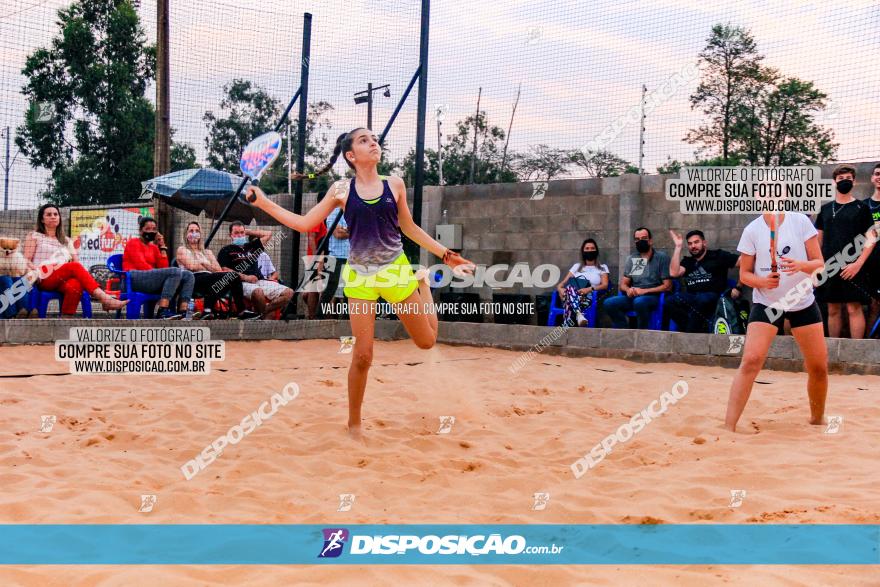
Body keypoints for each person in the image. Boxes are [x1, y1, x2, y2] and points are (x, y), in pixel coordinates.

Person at [247, 128, 474, 440]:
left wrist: (447, 255)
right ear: (351, 156)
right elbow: (304, 223)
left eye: (374, 139)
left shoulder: (394, 184)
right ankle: (354, 424)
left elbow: (408, 227)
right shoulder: (341, 189)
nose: (373, 143)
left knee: (426, 342)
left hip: (395, 271)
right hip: (360, 276)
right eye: (364, 140)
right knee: (363, 355)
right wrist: (264, 203)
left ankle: (423, 287)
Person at [724, 211, 827, 432]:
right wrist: (762, 281)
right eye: (766, 189)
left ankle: (817, 420)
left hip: (802, 302)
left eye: (776, 188)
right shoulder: (752, 230)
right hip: (767, 304)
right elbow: (744, 275)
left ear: (784, 193)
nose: (771, 193)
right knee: (751, 360)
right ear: (759, 196)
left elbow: (820, 264)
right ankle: (728, 426)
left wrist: (801, 265)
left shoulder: (800, 222)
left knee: (818, 367)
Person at [22, 204, 129, 318]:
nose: (53, 217)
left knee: (75, 285)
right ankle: (104, 298)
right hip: (43, 277)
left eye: (55, 214)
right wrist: (35, 272)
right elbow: (26, 260)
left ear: (59, 218)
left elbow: (76, 261)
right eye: (49, 214)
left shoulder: (66, 241)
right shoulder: (34, 236)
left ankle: (65, 319)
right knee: (74, 267)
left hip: (62, 278)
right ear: (42, 219)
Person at [814, 165, 874, 338]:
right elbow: (818, 241)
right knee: (832, 308)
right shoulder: (825, 210)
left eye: (848, 178)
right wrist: (817, 266)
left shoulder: (861, 208)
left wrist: (858, 264)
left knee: (853, 307)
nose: (844, 181)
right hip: (829, 267)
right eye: (841, 179)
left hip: (853, 267)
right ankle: (833, 351)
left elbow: (871, 238)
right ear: (834, 182)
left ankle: (855, 351)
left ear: (854, 181)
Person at [175, 221, 258, 320]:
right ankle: (207, 310)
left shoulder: (207, 252)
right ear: (186, 234)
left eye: (197, 231)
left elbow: (218, 269)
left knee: (234, 276)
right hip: (193, 280)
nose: (194, 233)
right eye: (191, 231)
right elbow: (192, 266)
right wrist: (208, 265)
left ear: (200, 234)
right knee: (215, 278)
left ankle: (241, 311)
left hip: (210, 279)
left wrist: (203, 263)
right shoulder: (182, 249)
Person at [666, 229, 741, 333]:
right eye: (690, 244)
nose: (693, 246)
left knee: (702, 299)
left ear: (704, 243)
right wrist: (678, 247)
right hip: (692, 298)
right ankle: (693, 329)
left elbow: (746, 263)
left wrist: (738, 287)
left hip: (713, 297)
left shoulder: (718, 256)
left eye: (696, 242)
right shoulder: (688, 261)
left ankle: (690, 333)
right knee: (670, 300)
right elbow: (673, 273)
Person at [217, 221, 293, 320]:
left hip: (260, 281)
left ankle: (261, 314)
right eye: (236, 233)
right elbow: (225, 270)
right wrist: (246, 277)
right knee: (258, 292)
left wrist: (247, 232)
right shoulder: (226, 250)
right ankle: (262, 319)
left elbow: (268, 234)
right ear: (230, 235)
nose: (240, 236)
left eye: (241, 233)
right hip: (241, 283)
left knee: (289, 293)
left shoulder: (252, 246)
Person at [123, 216, 194, 320]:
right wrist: (160, 275)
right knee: (175, 271)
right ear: (140, 230)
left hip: (149, 279)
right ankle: (163, 311)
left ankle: (183, 311)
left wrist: (162, 246)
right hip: (134, 279)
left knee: (188, 275)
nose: (151, 231)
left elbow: (164, 267)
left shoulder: (154, 247)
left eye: (154, 229)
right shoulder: (133, 243)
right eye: (148, 229)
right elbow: (141, 265)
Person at [603, 227, 672, 329]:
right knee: (609, 303)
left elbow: (668, 286)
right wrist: (628, 289)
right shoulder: (633, 259)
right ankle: (624, 332)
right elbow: (623, 284)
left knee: (639, 302)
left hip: (653, 297)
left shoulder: (661, 257)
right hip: (634, 297)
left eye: (644, 238)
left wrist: (644, 291)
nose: (640, 241)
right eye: (637, 239)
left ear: (650, 241)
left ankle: (641, 334)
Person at [554, 238, 609, 326]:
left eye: (592, 248)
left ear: (596, 251)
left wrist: (589, 289)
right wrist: (560, 289)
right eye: (587, 248)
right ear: (583, 251)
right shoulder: (577, 266)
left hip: (589, 298)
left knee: (569, 292)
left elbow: (605, 285)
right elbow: (562, 283)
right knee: (570, 288)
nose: (590, 250)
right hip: (573, 295)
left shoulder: (602, 267)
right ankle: (578, 315)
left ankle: (568, 322)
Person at [320, 206, 350, 317]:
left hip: (352, 257)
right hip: (336, 257)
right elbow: (338, 234)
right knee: (330, 289)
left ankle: (348, 319)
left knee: (350, 290)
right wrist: (353, 231)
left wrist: (346, 230)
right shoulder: (333, 212)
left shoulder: (354, 211)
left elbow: (362, 230)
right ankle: (319, 316)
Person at [864, 163, 880, 332]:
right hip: (870, 263)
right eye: (877, 174)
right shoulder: (863, 205)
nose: (879, 177)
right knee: (873, 305)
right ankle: (868, 343)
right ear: (872, 178)